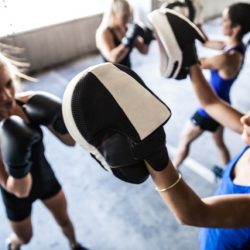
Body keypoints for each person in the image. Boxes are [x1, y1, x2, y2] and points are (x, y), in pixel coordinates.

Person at [63, 6, 250, 250]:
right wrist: (190, 60)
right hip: (212, 237)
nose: (245, 120)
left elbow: (193, 213)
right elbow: (210, 102)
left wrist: (153, 152)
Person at [0, 52, 88, 250]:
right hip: (14, 192)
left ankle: (74, 245)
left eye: (8, 84)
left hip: (44, 177)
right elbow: (19, 190)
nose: (6, 97)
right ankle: (13, 244)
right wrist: (18, 155)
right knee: (25, 238)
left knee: (65, 220)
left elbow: (70, 141)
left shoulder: (28, 104)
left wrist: (59, 118)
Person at [173, 2, 248, 173]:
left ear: (235, 27)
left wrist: (182, 39)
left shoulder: (226, 57)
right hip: (224, 105)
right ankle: (227, 172)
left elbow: (195, 64)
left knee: (185, 139)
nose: (220, 23)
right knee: (219, 143)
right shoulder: (235, 46)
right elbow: (205, 41)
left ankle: (173, 172)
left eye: (224, 20)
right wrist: (196, 19)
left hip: (211, 108)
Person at [95, 0, 153, 69]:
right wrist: (128, 40)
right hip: (111, 75)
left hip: (127, 72)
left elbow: (144, 51)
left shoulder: (127, 28)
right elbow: (113, 58)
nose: (127, 20)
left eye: (129, 16)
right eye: (124, 17)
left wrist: (147, 39)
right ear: (114, 13)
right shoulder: (104, 32)